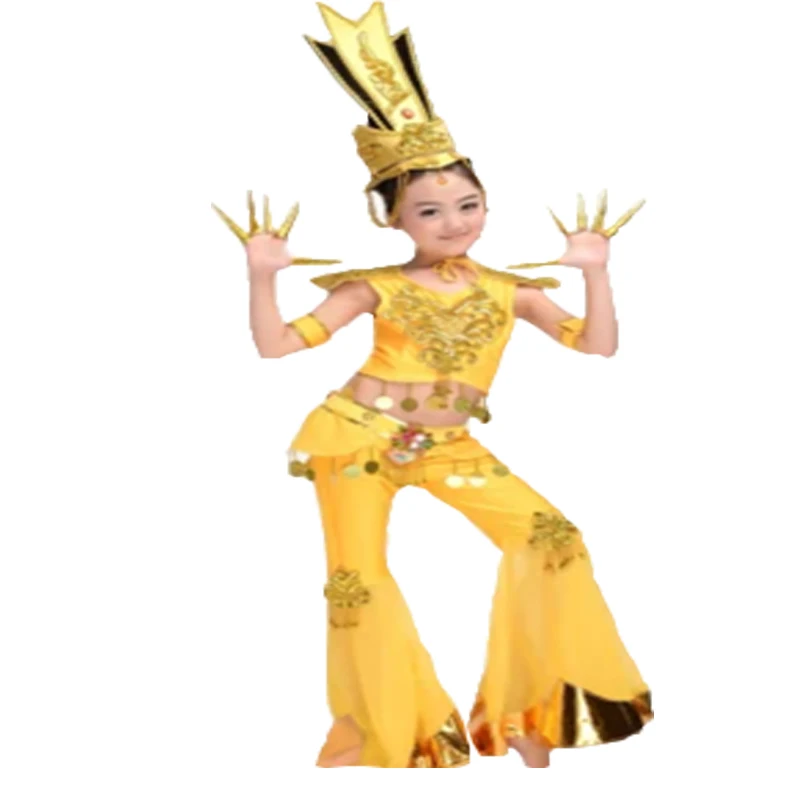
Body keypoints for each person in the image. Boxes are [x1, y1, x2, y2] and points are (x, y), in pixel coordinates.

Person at [213, 1, 652, 769]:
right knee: (357, 580)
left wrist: (596, 273)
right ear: (391, 218)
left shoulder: (511, 290)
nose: (454, 222)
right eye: (430, 210)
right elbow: (278, 347)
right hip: (356, 441)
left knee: (552, 538)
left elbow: (598, 345)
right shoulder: (374, 287)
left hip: (450, 445)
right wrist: (260, 278)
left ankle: (529, 713)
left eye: (468, 205)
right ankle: (383, 729)